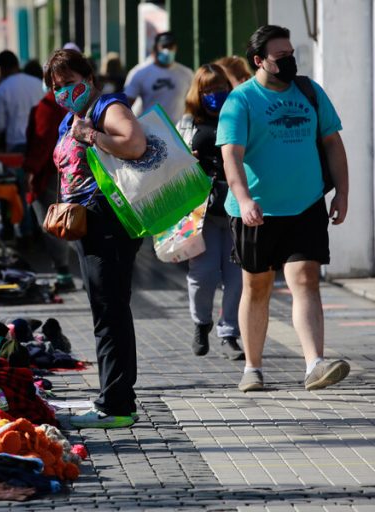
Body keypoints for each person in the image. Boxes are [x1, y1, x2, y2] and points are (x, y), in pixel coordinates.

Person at [216, 25, 350, 392]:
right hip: (256, 212)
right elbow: (231, 156)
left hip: (306, 205)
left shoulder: (310, 92)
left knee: (305, 279)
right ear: (259, 61)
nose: (290, 61)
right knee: (257, 287)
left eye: (292, 54)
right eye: (281, 57)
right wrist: (244, 199)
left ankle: (314, 364)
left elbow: (333, 143)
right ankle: (253, 368)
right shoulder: (241, 100)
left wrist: (342, 193)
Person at [44, 49, 147, 428]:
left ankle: (116, 404)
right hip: (89, 223)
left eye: (69, 83)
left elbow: (134, 144)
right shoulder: (73, 117)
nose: (63, 91)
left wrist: (90, 135)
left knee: (110, 311)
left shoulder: (107, 108)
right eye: (56, 86)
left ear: (88, 78)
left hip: (109, 220)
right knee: (107, 310)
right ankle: (115, 397)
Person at [176, 64, 243, 360]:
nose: (216, 94)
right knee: (203, 274)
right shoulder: (188, 123)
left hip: (236, 208)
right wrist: (185, 159)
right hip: (202, 211)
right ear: (198, 93)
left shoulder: (239, 115)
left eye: (220, 88)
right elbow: (172, 161)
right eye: (209, 90)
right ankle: (201, 323)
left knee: (236, 277)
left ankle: (229, 333)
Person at [22, 88, 74, 291]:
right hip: (65, 170)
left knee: (53, 223)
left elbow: (42, 142)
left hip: (49, 173)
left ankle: (64, 274)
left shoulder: (48, 107)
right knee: (61, 222)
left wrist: (31, 170)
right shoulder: (66, 104)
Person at [124, 31, 194, 124]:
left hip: (178, 128)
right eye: (164, 46)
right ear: (155, 48)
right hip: (150, 128)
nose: (167, 50)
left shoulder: (186, 73)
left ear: (176, 48)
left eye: (171, 47)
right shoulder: (139, 73)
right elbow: (126, 104)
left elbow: (193, 102)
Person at [0, 50, 45, 152]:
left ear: (1, 68)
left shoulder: (2, 89)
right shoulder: (38, 83)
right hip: (40, 140)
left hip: (15, 142)